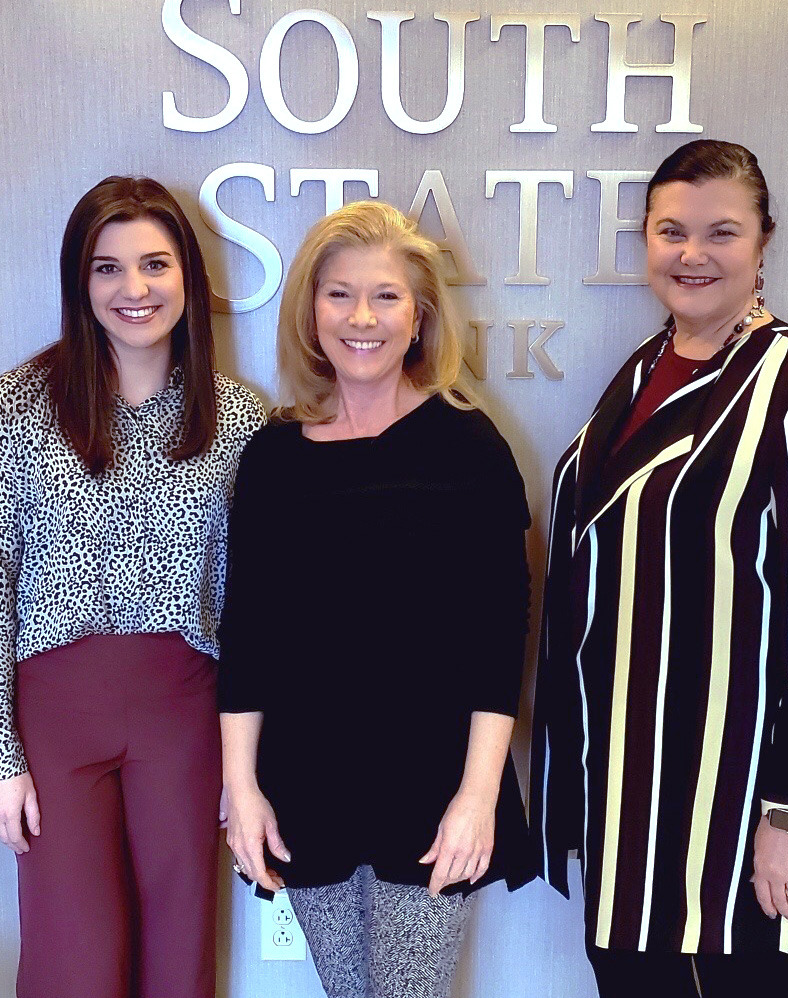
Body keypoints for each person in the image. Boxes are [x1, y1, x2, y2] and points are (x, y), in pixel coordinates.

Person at [529, 140, 788, 997]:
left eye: (721, 232)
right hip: (626, 799)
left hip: (733, 810)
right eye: (671, 231)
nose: (693, 254)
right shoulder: (640, 376)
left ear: (763, 242)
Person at [0, 176, 266, 998]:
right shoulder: (17, 407)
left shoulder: (237, 419)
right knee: (76, 962)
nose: (135, 288)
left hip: (187, 711)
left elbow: (256, 605)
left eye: (155, 264)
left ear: (188, 277)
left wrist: (249, 767)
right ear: (80, 282)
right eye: (108, 267)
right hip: (56, 712)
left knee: (178, 954)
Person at [218, 200, 533, 998]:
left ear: (419, 315)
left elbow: (500, 638)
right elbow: (247, 634)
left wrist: (478, 797)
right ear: (310, 311)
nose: (362, 318)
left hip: (431, 786)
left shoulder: (469, 446)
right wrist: (241, 789)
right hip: (305, 784)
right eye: (340, 295)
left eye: (386, 296)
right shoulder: (273, 456)